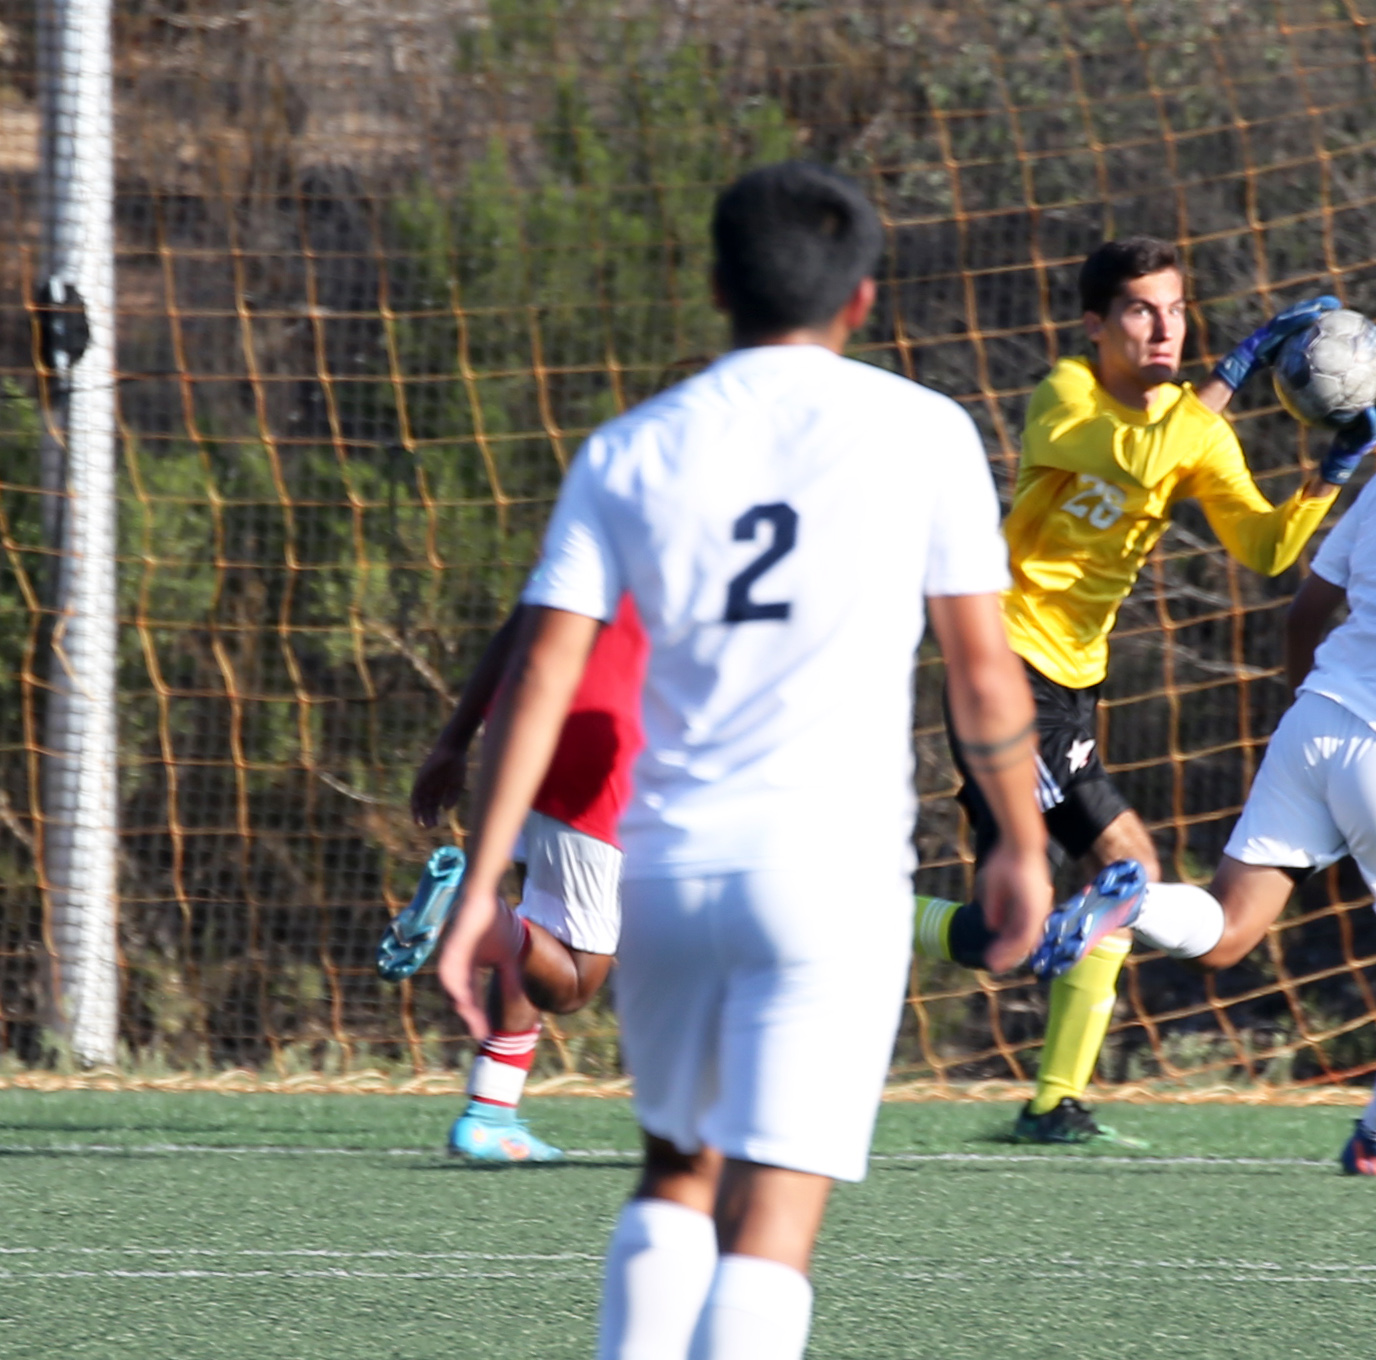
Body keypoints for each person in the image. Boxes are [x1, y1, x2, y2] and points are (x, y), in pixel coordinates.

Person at [433, 159, 1054, 1359]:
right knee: (771, 1221)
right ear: (862, 301)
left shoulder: (629, 448)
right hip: (827, 881)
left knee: (674, 1173)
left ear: (716, 284)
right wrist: (1020, 841)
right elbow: (983, 670)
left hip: (665, 876)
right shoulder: (927, 432)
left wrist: (480, 883)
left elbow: (545, 675)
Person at [1033, 334, 1376, 1176]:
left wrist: (1306, 709)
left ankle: (1130, 907)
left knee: (1226, 932)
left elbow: (1303, 613)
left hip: (1316, 720)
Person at [910, 237, 1376, 1146]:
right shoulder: (1064, 396)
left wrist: (1328, 472)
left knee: (1007, 934)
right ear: (1095, 326)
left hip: (1074, 685)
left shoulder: (1193, 427)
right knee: (1123, 872)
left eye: (1175, 310)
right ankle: (1050, 1099)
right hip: (1004, 667)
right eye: (1141, 310)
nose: (1162, 327)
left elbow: (1263, 549)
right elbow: (1136, 457)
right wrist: (1229, 377)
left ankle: (1043, 1093)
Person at [401, 597, 644, 1161]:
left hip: (524, 723)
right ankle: (478, 910)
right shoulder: (683, 534)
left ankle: (490, 1114)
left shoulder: (588, 524)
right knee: (574, 981)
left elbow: (516, 628)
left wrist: (453, 741)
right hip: (604, 740)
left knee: (536, 933)